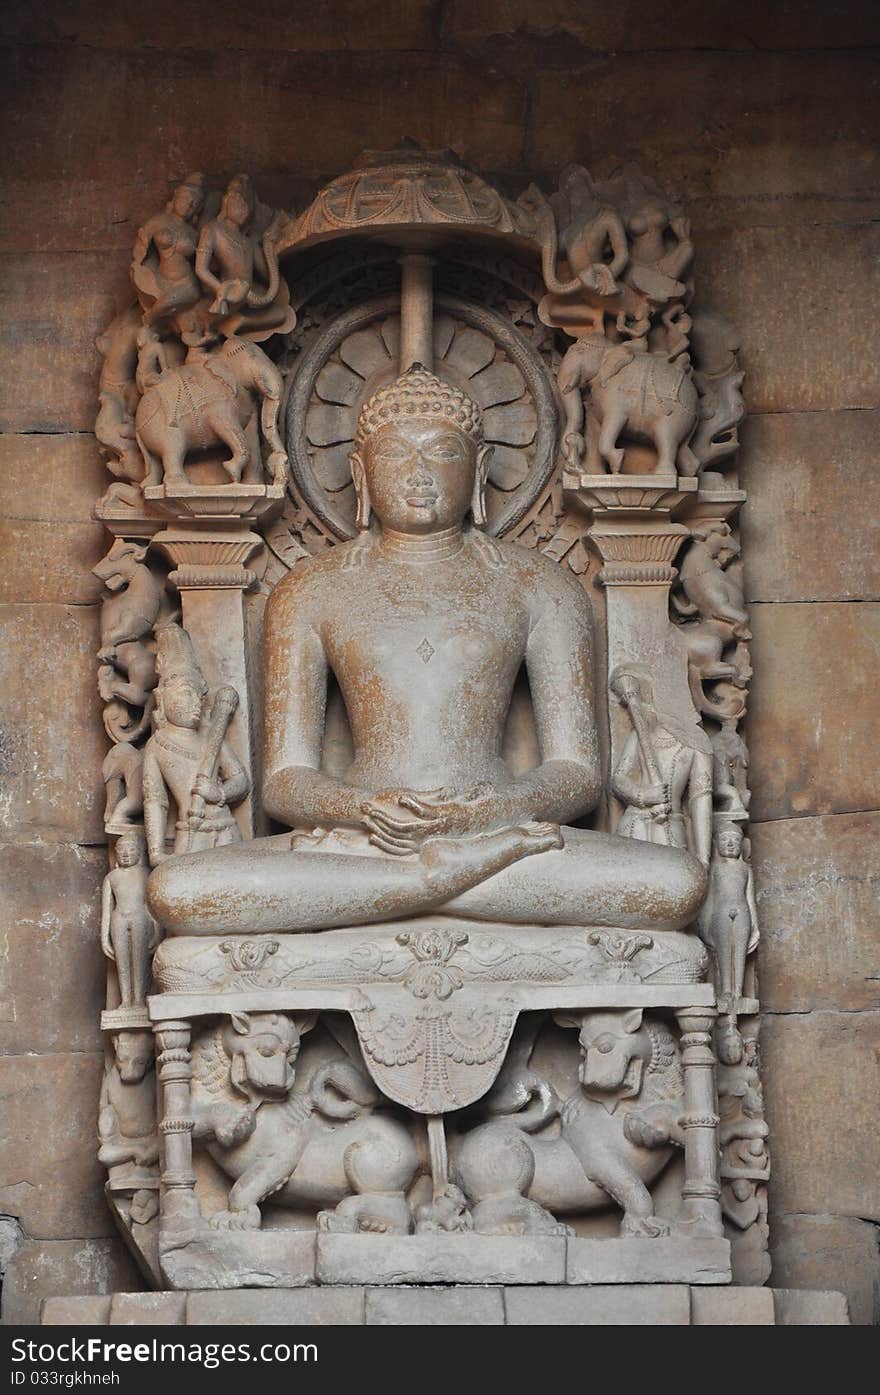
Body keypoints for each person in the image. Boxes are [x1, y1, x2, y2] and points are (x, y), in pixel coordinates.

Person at [148, 366, 705, 937]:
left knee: (676, 884)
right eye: (394, 455)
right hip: (361, 844)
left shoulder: (539, 587)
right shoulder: (311, 591)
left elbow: (578, 771)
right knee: (177, 891)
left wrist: (486, 812)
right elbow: (286, 780)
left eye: (441, 452)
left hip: (499, 833)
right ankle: (435, 879)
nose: (418, 475)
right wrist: (362, 809)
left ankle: (426, 881)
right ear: (361, 475)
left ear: (480, 469)